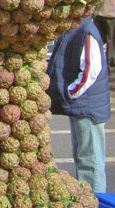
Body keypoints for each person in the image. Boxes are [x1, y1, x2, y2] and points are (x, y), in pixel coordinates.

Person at [46, 13, 110, 193]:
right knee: (83, 155)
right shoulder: (75, 29)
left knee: (90, 160)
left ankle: (95, 199)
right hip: (80, 105)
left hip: (87, 107)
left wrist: (70, 93)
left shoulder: (86, 31)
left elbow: (90, 69)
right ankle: (88, 197)